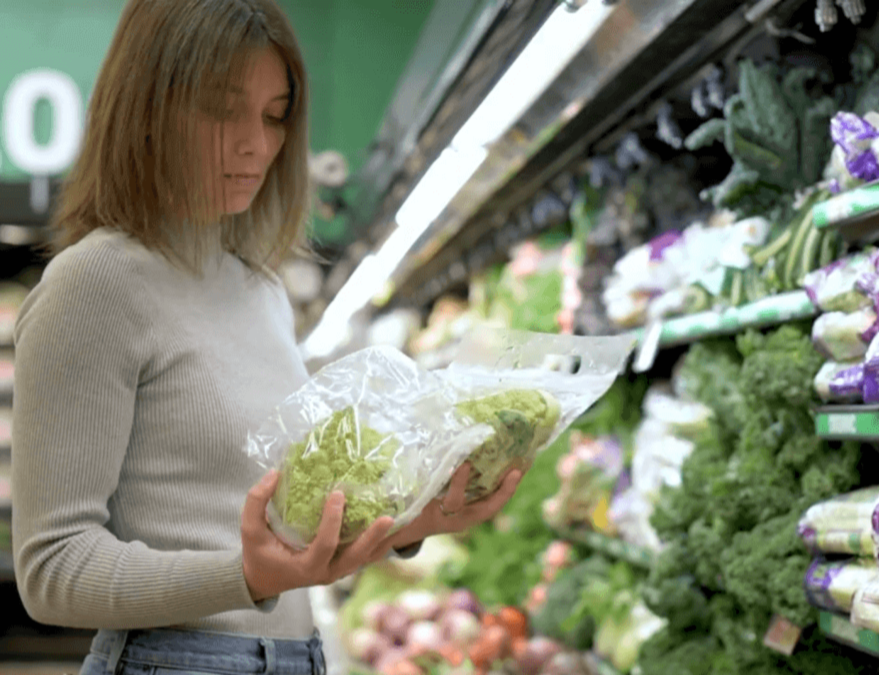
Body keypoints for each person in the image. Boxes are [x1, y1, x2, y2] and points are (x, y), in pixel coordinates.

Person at [11, 2, 522, 674]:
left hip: (296, 654)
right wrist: (243, 575)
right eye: (223, 109)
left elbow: (275, 520)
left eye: (276, 114)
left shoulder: (261, 290)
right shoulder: (97, 281)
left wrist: (407, 521)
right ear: (147, 107)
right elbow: (52, 568)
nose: (257, 143)